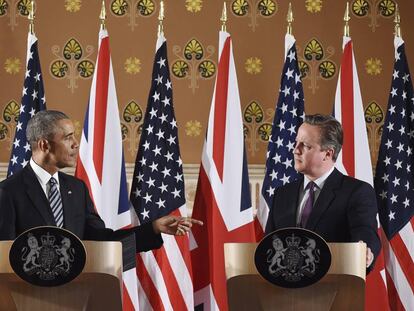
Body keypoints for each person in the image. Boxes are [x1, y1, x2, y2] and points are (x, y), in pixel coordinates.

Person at [0, 110, 202, 252]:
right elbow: (4, 255)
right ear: (44, 144)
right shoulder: (8, 192)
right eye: (68, 137)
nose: (76, 144)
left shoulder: (76, 188)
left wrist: (154, 228)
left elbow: (103, 241)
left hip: (76, 294)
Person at [265, 114, 381, 270]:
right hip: (285, 290)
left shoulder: (357, 192)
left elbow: (365, 231)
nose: (295, 150)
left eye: (305, 145)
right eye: (296, 142)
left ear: (328, 153)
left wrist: (365, 251)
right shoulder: (283, 194)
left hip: (334, 287)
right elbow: (269, 245)